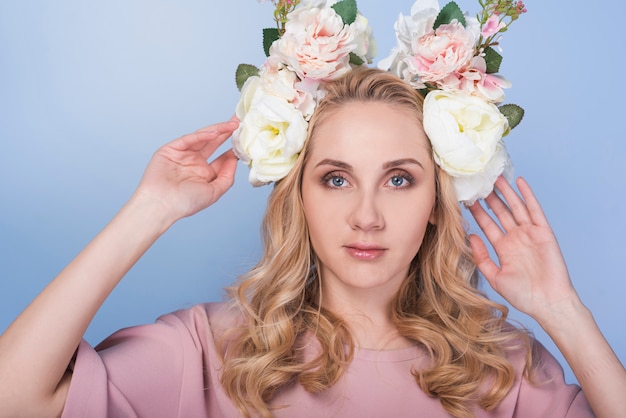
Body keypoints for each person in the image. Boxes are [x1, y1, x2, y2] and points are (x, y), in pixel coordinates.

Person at [1, 0, 625, 417]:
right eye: (335, 179)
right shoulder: (212, 350)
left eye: (401, 181)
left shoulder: (503, 368)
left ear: (438, 202)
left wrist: (562, 312)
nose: (367, 215)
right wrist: (149, 210)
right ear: (297, 194)